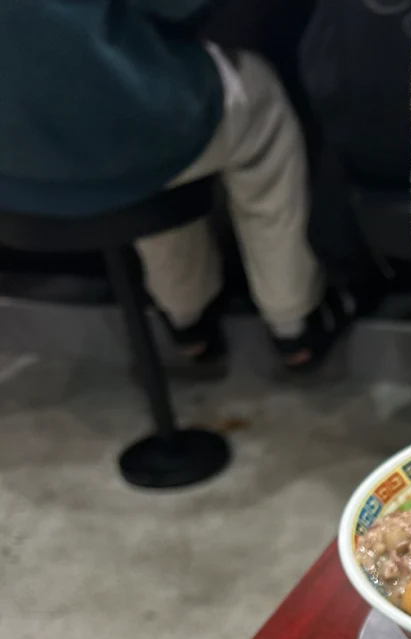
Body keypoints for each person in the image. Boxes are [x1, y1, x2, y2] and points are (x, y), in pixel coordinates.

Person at [0, 0, 352, 370]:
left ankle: (186, 315)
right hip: (123, 136)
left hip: (16, 170)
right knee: (248, 111)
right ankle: (293, 318)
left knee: (142, 134)